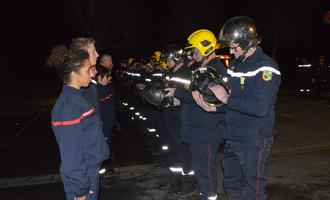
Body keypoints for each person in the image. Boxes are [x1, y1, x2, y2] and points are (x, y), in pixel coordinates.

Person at [192, 16, 281, 200]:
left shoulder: (266, 67)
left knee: (252, 188)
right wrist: (214, 109)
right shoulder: (234, 66)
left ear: (247, 43)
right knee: (231, 183)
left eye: (234, 47)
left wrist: (224, 97)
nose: (231, 51)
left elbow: (259, 107)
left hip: (254, 138)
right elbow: (233, 103)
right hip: (233, 136)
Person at [166, 29, 227, 200]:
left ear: (206, 48)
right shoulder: (201, 68)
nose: (193, 53)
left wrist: (177, 93)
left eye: (195, 50)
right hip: (197, 129)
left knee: (205, 171)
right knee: (201, 170)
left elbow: (204, 96)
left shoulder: (216, 70)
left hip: (207, 130)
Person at [47, 47, 109, 200]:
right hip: (83, 178)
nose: (92, 72)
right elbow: (71, 154)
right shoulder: (69, 105)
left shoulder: (78, 97)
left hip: (90, 171)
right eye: (89, 69)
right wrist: (80, 189)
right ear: (74, 74)